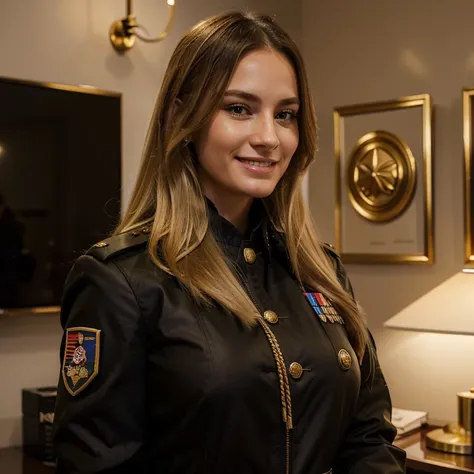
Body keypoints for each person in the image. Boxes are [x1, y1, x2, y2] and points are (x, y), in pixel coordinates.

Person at [52, 11, 406, 474]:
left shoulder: (320, 271)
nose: (269, 137)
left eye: (286, 115)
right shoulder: (122, 281)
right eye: (239, 108)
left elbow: (369, 438)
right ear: (183, 115)